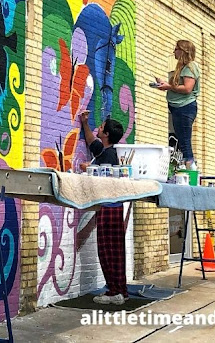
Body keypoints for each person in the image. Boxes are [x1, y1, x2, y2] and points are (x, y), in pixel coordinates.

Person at [79, 110, 127, 305]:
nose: (98, 128)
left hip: (109, 207)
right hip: (114, 207)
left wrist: (87, 169)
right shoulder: (106, 150)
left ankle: (115, 291)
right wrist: (84, 123)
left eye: (101, 127)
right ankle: (119, 290)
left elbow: (102, 177)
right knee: (114, 250)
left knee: (108, 250)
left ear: (106, 134)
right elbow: (92, 142)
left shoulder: (108, 156)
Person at [156, 39, 200, 167]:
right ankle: (186, 166)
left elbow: (187, 88)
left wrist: (169, 87)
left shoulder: (190, 67)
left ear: (183, 51)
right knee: (182, 140)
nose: (174, 51)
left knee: (185, 142)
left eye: (176, 49)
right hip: (178, 108)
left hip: (185, 107)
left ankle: (191, 169)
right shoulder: (181, 68)